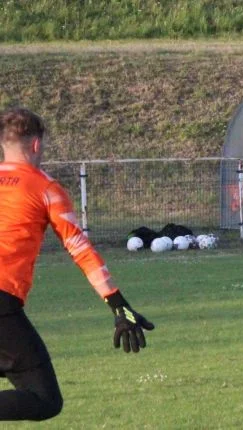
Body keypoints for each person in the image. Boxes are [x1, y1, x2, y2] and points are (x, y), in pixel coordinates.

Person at [0, 107, 154, 421]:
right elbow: (81, 250)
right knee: (43, 399)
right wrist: (119, 308)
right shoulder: (45, 189)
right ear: (37, 145)